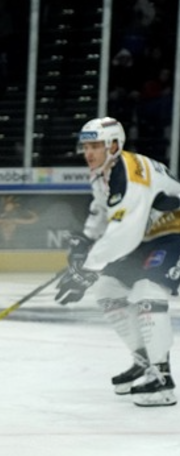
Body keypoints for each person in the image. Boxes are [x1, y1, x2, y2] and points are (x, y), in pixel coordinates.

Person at [54, 116, 180, 407]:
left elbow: (124, 234)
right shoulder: (102, 172)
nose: (88, 153)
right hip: (148, 235)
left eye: (95, 146)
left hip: (174, 233)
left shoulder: (132, 174)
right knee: (107, 288)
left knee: (148, 290)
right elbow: (101, 210)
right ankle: (144, 361)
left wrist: (88, 269)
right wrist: (85, 240)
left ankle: (162, 379)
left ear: (113, 145)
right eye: (86, 147)